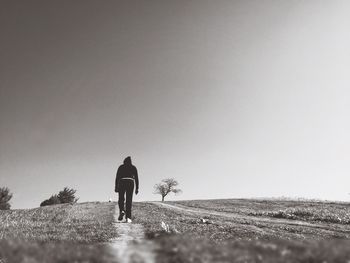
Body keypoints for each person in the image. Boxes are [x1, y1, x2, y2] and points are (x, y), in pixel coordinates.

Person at [115, 156, 139, 223]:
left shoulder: (121, 167)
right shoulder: (133, 167)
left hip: (122, 181)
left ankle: (122, 210)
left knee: (121, 198)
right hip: (130, 182)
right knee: (129, 200)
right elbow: (136, 178)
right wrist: (137, 188)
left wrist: (116, 186)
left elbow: (117, 177)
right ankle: (128, 217)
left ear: (124, 161)